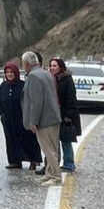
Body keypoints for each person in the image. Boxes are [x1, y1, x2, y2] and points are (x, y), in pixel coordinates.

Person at [20, 51, 62, 186]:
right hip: (53, 116)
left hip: (44, 119)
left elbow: (36, 101)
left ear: (26, 64)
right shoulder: (45, 73)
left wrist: (33, 121)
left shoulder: (33, 76)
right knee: (52, 148)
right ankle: (49, 174)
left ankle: (55, 177)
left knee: (49, 150)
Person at [0, 61, 41, 169]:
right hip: (8, 120)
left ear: (16, 73)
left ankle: (33, 160)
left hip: (22, 119)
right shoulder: (3, 86)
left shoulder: (23, 85)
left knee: (28, 139)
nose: (9, 74)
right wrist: (2, 114)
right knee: (11, 140)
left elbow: (29, 101)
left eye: (12, 72)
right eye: (7, 72)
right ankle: (15, 161)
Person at [49, 57, 80, 172]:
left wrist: (68, 115)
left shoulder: (67, 79)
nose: (52, 68)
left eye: (55, 65)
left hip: (65, 115)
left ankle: (69, 163)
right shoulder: (51, 79)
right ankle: (55, 163)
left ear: (60, 67)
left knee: (65, 140)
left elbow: (71, 98)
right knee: (54, 141)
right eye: (51, 65)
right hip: (54, 115)